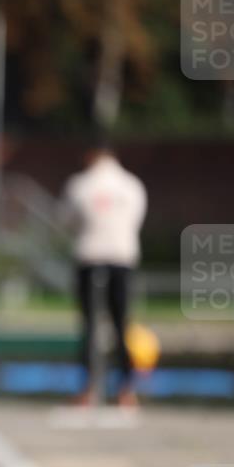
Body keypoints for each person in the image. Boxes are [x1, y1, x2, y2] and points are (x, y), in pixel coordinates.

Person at [62, 143, 147, 407]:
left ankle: (88, 389)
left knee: (89, 326)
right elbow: (136, 220)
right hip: (122, 258)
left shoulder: (80, 184)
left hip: (89, 257)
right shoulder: (132, 185)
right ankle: (126, 390)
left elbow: (67, 219)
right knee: (121, 324)